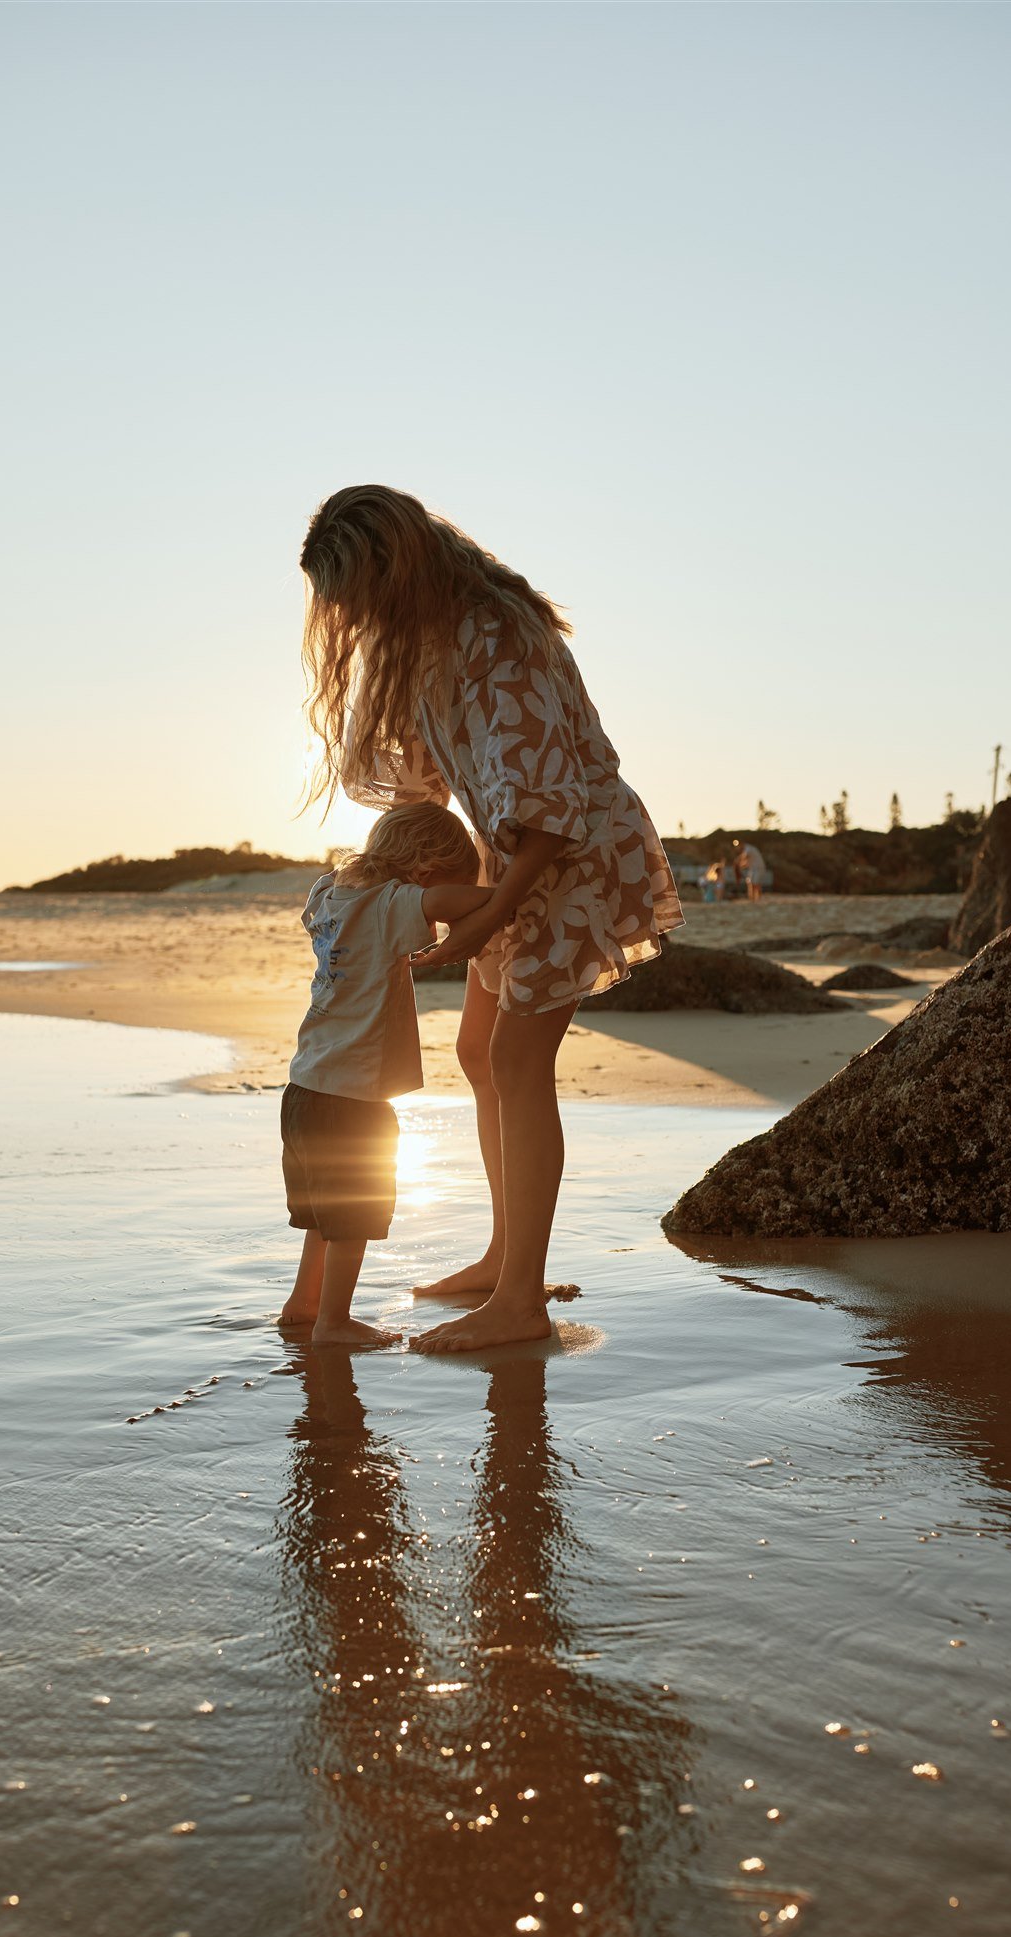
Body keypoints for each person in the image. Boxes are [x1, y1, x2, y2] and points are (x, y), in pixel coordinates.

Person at [299, 483, 682, 1352]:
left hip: (567, 853)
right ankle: (507, 1257)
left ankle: (520, 1302)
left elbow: (549, 796)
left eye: (355, 591)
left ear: (393, 566)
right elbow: (430, 777)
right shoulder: (430, 638)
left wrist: (487, 915)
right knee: (479, 1050)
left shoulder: (495, 627)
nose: (352, 616)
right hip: (515, 859)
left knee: (516, 1056)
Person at [279, 802, 493, 1347]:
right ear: (423, 869)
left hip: (303, 1089)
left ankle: (304, 1303)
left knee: (322, 1217)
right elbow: (452, 902)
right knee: (353, 1217)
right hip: (352, 1096)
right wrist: (511, 896)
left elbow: (405, 890)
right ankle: (333, 1322)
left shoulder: (328, 894)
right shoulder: (389, 905)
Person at [734, 837, 772, 902]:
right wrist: (740, 865)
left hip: (758, 868)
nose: (738, 847)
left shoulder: (748, 848)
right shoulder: (746, 850)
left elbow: (745, 857)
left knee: (755, 883)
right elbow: (746, 862)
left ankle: (757, 898)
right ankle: (752, 898)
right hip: (753, 868)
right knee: (750, 882)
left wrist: (738, 861)